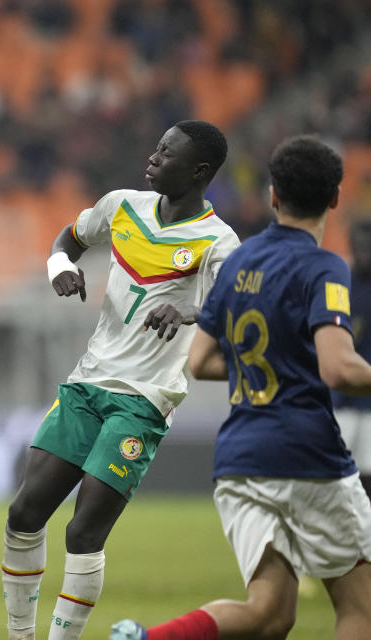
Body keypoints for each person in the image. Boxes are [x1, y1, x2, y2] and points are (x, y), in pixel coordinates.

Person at [111, 136, 371, 640]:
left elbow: (202, 361)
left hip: (239, 460)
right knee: (360, 609)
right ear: (335, 199)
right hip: (307, 454)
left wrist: (269, 366)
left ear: (273, 195)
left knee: (270, 613)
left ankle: (147, 639)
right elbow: (339, 369)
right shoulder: (325, 267)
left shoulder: (239, 262)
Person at [1, 121, 239, 640]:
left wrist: (191, 311)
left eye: (166, 153)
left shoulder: (218, 241)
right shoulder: (121, 205)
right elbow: (71, 235)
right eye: (155, 148)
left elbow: (236, 305)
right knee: (24, 511)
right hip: (87, 383)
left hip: (144, 400)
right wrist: (59, 264)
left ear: (198, 171)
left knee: (83, 531)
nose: (152, 158)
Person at [334, 218, 371, 501]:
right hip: (342, 399)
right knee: (339, 478)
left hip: (368, 403)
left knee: (366, 478)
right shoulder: (340, 284)